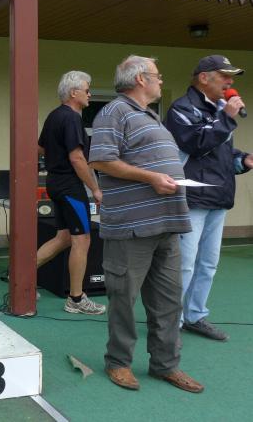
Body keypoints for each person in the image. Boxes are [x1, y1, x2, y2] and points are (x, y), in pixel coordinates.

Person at [89, 55, 203, 393]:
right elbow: (101, 160)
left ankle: (165, 365)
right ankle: (118, 362)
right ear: (140, 78)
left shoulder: (150, 116)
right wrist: (151, 177)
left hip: (166, 225)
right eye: (158, 75)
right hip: (132, 227)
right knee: (123, 298)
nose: (161, 80)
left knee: (169, 301)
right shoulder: (114, 112)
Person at [165, 55, 253, 341]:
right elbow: (196, 144)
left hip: (218, 196)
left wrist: (244, 159)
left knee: (208, 263)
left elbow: (220, 153)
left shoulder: (221, 110)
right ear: (204, 77)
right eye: (225, 76)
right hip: (192, 198)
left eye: (231, 77)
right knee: (184, 264)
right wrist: (226, 118)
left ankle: (195, 316)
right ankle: (170, 322)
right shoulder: (182, 109)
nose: (230, 82)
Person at [37, 71, 105, 315]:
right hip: (70, 187)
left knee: (64, 237)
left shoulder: (54, 115)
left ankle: (20, 275)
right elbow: (77, 158)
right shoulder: (72, 118)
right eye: (86, 90)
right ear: (74, 93)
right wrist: (95, 189)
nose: (89, 94)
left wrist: (55, 161)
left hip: (55, 183)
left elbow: (40, 148)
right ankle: (76, 298)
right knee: (82, 240)